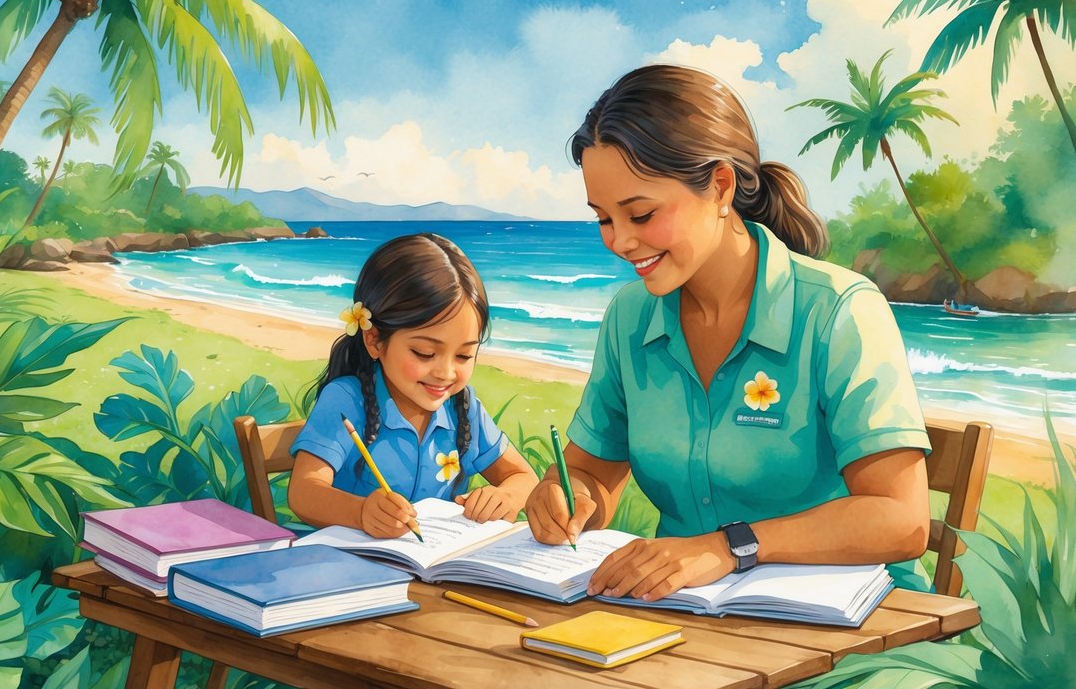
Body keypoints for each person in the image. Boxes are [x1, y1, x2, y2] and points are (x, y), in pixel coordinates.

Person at [525, 64, 933, 600]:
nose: (620, 242)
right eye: (603, 219)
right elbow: (592, 476)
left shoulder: (838, 310)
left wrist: (726, 547)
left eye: (641, 214)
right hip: (690, 615)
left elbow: (902, 521)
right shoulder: (630, 318)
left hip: (851, 622)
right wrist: (565, 495)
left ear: (720, 187)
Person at [289, 233, 538, 538]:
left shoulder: (463, 408)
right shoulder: (346, 400)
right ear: (375, 340)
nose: (446, 373)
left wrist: (506, 497)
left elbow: (523, 476)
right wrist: (361, 513)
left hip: (431, 571)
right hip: (350, 564)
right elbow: (304, 493)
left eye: (463, 355)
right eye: (424, 353)